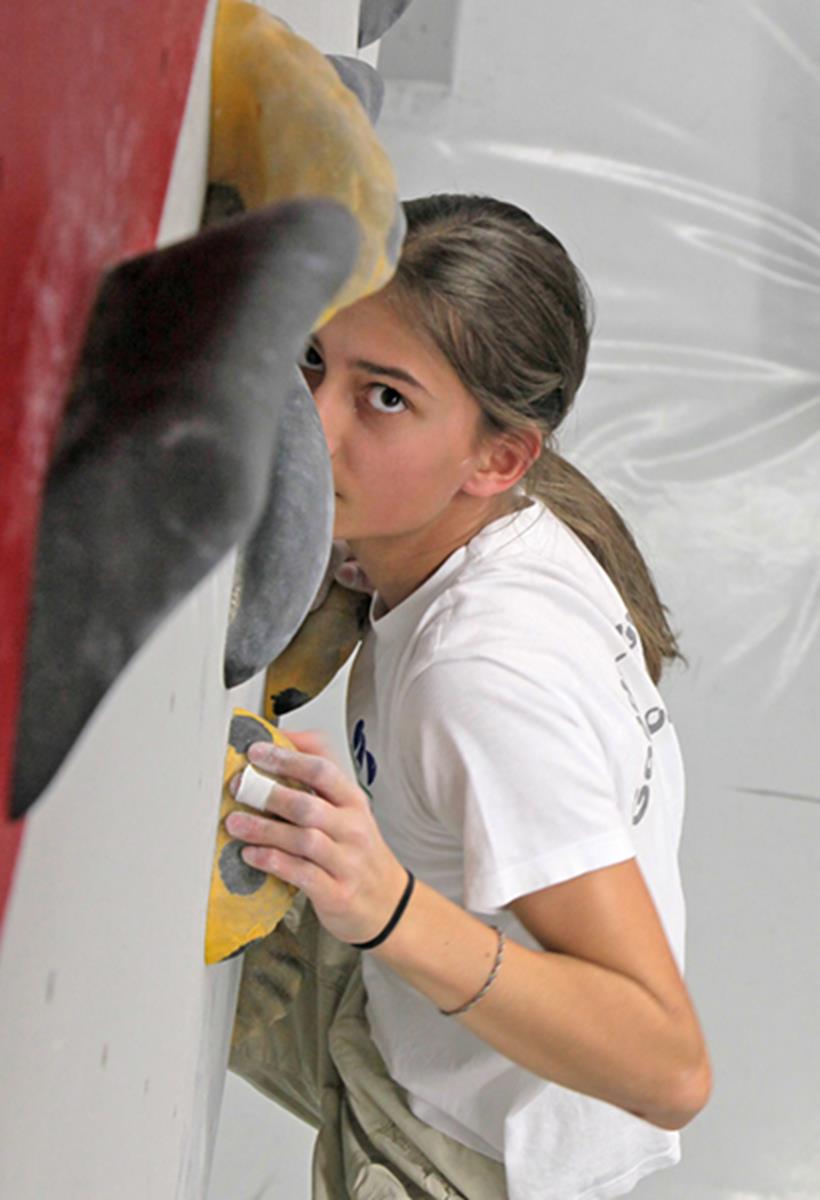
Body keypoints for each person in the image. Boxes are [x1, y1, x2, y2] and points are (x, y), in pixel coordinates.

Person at [225, 194, 712, 1200]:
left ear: (497, 458)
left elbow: (668, 1070)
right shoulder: (510, 522)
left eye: (385, 398)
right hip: (416, 1010)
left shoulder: (480, 677)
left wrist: (388, 907)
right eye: (316, 363)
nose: (316, 422)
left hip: (463, 1151)